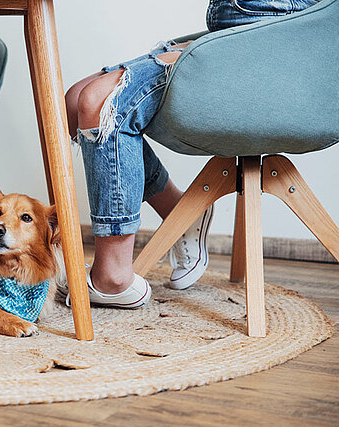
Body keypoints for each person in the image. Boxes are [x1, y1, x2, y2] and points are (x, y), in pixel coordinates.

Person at [62, 0, 320, 308]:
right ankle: (179, 213)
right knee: (76, 101)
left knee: (99, 102)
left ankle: (113, 276)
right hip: (236, 38)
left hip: (272, 52)